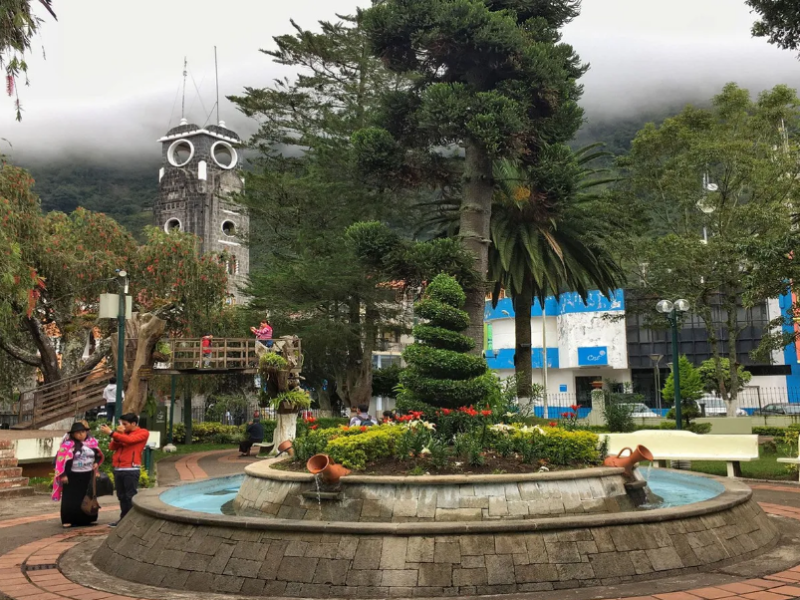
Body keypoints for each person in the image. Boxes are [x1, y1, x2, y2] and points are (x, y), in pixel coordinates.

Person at [100, 413, 149, 526]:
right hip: (119, 468)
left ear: (134, 423)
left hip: (131, 469)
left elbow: (130, 441)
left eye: (125, 424)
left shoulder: (143, 433)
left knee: (130, 495)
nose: (123, 426)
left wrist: (112, 433)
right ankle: (124, 519)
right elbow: (112, 447)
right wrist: (117, 435)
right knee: (121, 496)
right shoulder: (123, 435)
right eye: (121, 424)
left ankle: (132, 521)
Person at [52, 422, 103, 528]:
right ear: (73, 434)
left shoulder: (92, 443)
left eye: (83, 432)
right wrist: (63, 474)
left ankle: (87, 519)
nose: (81, 434)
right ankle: (68, 519)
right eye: (78, 433)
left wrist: (96, 463)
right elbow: (60, 461)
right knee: (70, 499)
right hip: (73, 476)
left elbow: (98, 455)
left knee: (87, 496)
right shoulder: (67, 445)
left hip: (87, 475)